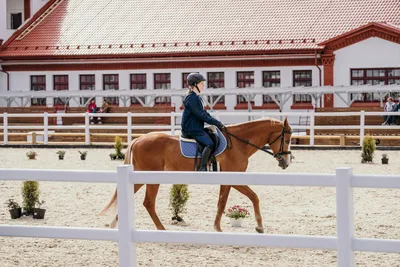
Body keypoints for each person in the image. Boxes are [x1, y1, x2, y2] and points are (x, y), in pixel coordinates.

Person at [181, 73, 225, 171]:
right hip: (192, 129)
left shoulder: (197, 97)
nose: (203, 86)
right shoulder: (192, 98)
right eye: (201, 84)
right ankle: (202, 166)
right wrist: (216, 123)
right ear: (195, 84)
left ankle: (211, 161)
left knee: (214, 137)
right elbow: (201, 115)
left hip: (196, 127)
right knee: (209, 143)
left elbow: (204, 113)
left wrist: (216, 122)